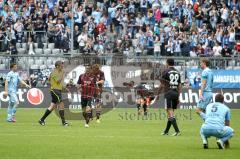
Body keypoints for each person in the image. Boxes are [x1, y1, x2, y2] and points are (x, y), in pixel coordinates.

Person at [38, 61, 69, 126]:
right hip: (55, 90)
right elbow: (57, 81)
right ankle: (64, 122)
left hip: (57, 90)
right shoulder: (55, 72)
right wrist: (62, 74)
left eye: (62, 65)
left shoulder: (59, 72)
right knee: (61, 104)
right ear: (57, 66)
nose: (62, 66)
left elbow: (51, 80)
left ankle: (42, 120)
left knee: (52, 106)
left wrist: (64, 87)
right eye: (61, 65)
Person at [159, 59, 182, 136]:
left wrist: (158, 93)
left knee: (169, 112)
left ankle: (177, 131)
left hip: (168, 93)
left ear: (167, 63)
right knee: (170, 113)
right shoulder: (178, 72)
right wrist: (178, 96)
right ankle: (166, 131)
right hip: (175, 93)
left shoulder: (166, 71)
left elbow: (162, 84)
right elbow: (179, 85)